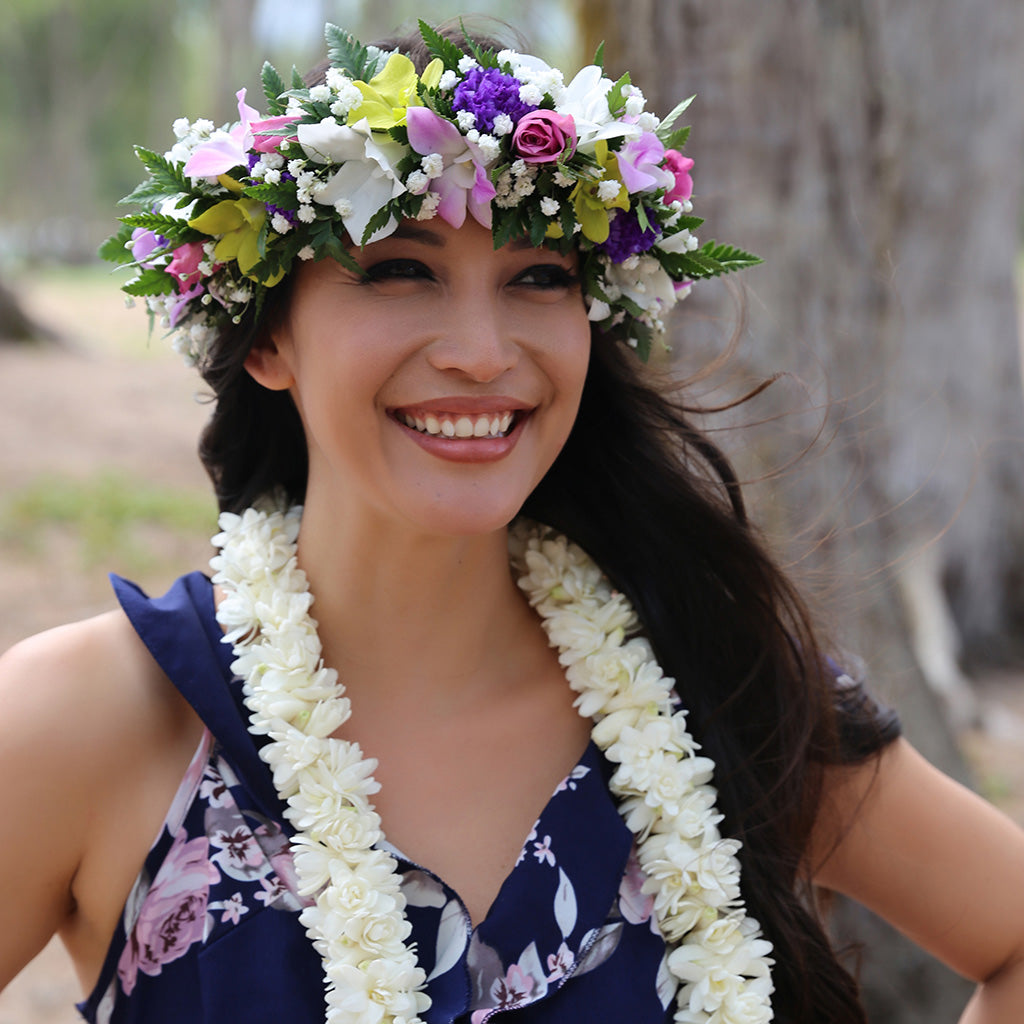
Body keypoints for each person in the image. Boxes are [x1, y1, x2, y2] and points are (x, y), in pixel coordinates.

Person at [1, 19, 1022, 1024]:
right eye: (400, 270)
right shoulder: (91, 721)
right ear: (265, 339)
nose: (483, 353)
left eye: (539, 277)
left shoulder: (726, 678)